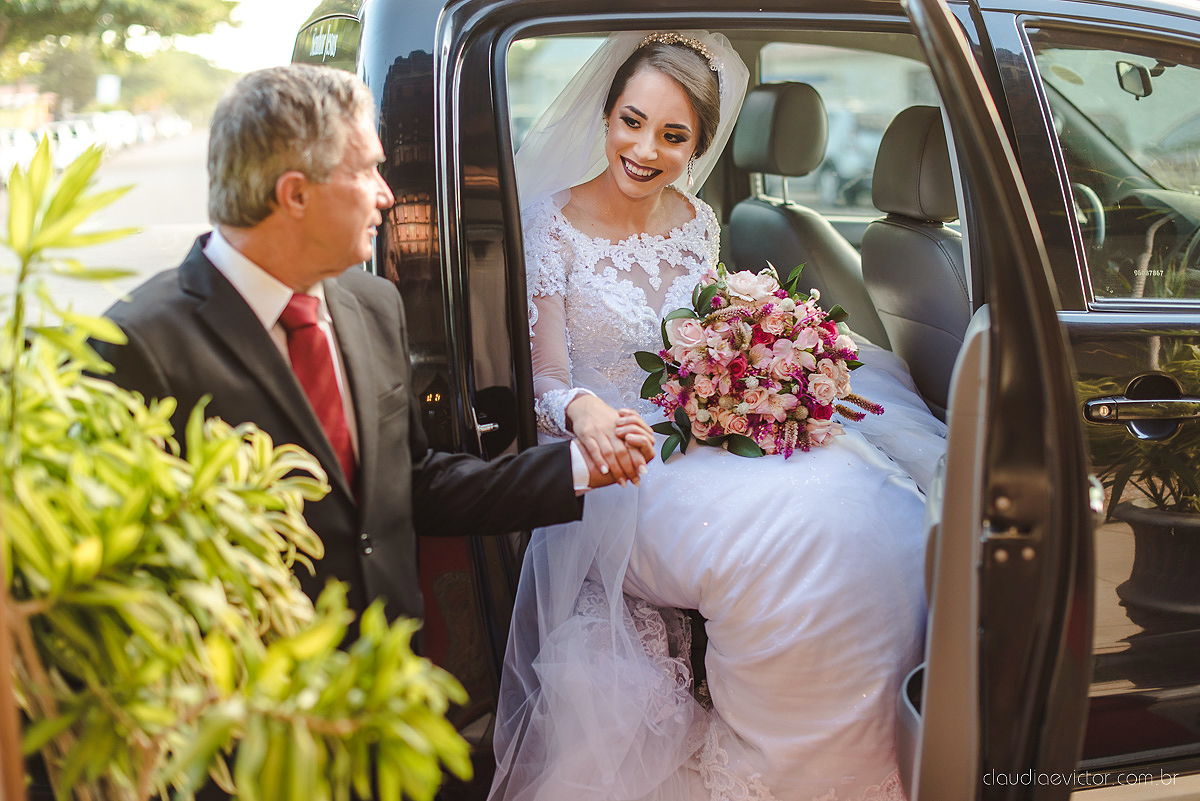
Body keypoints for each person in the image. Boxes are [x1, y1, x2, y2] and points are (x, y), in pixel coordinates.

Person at [489, 32, 949, 801]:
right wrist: (584, 407)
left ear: (698, 144)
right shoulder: (552, 224)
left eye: (673, 136)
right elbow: (544, 376)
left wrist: (741, 379)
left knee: (870, 496)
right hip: (616, 455)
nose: (644, 149)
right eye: (632, 122)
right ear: (606, 114)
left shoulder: (697, 220)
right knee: (796, 539)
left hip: (694, 430)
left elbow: (703, 339)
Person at [93, 64, 656, 631]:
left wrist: (580, 466)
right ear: (295, 194)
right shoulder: (134, 346)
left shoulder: (371, 304)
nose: (387, 195)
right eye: (367, 172)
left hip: (386, 665)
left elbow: (413, 483)